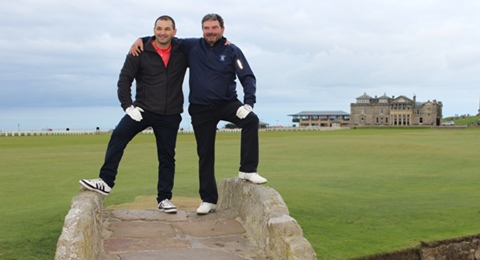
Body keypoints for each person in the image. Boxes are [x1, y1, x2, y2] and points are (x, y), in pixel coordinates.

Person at [130, 13, 267, 215]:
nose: (210, 31)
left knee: (251, 120)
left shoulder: (232, 50)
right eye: (207, 28)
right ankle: (208, 199)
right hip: (201, 108)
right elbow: (164, 37)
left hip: (227, 102)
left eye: (214, 28)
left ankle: (247, 169)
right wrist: (140, 40)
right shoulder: (191, 46)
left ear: (222, 29)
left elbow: (247, 76)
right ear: (202, 29)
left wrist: (248, 103)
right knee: (205, 153)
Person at [80, 15, 188, 214]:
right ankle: (105, 181)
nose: (162, 32)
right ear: (154, 29)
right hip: (142, 110)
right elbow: (124, 80)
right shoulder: (139, 50)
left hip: (170, 113)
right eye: (159, 28)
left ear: (174, 31)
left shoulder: (183, 49)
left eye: (167, 29)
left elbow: (206, 44)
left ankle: (164, 198)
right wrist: (128, 106)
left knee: (167, 157)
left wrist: (225, 42)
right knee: (118, 136)